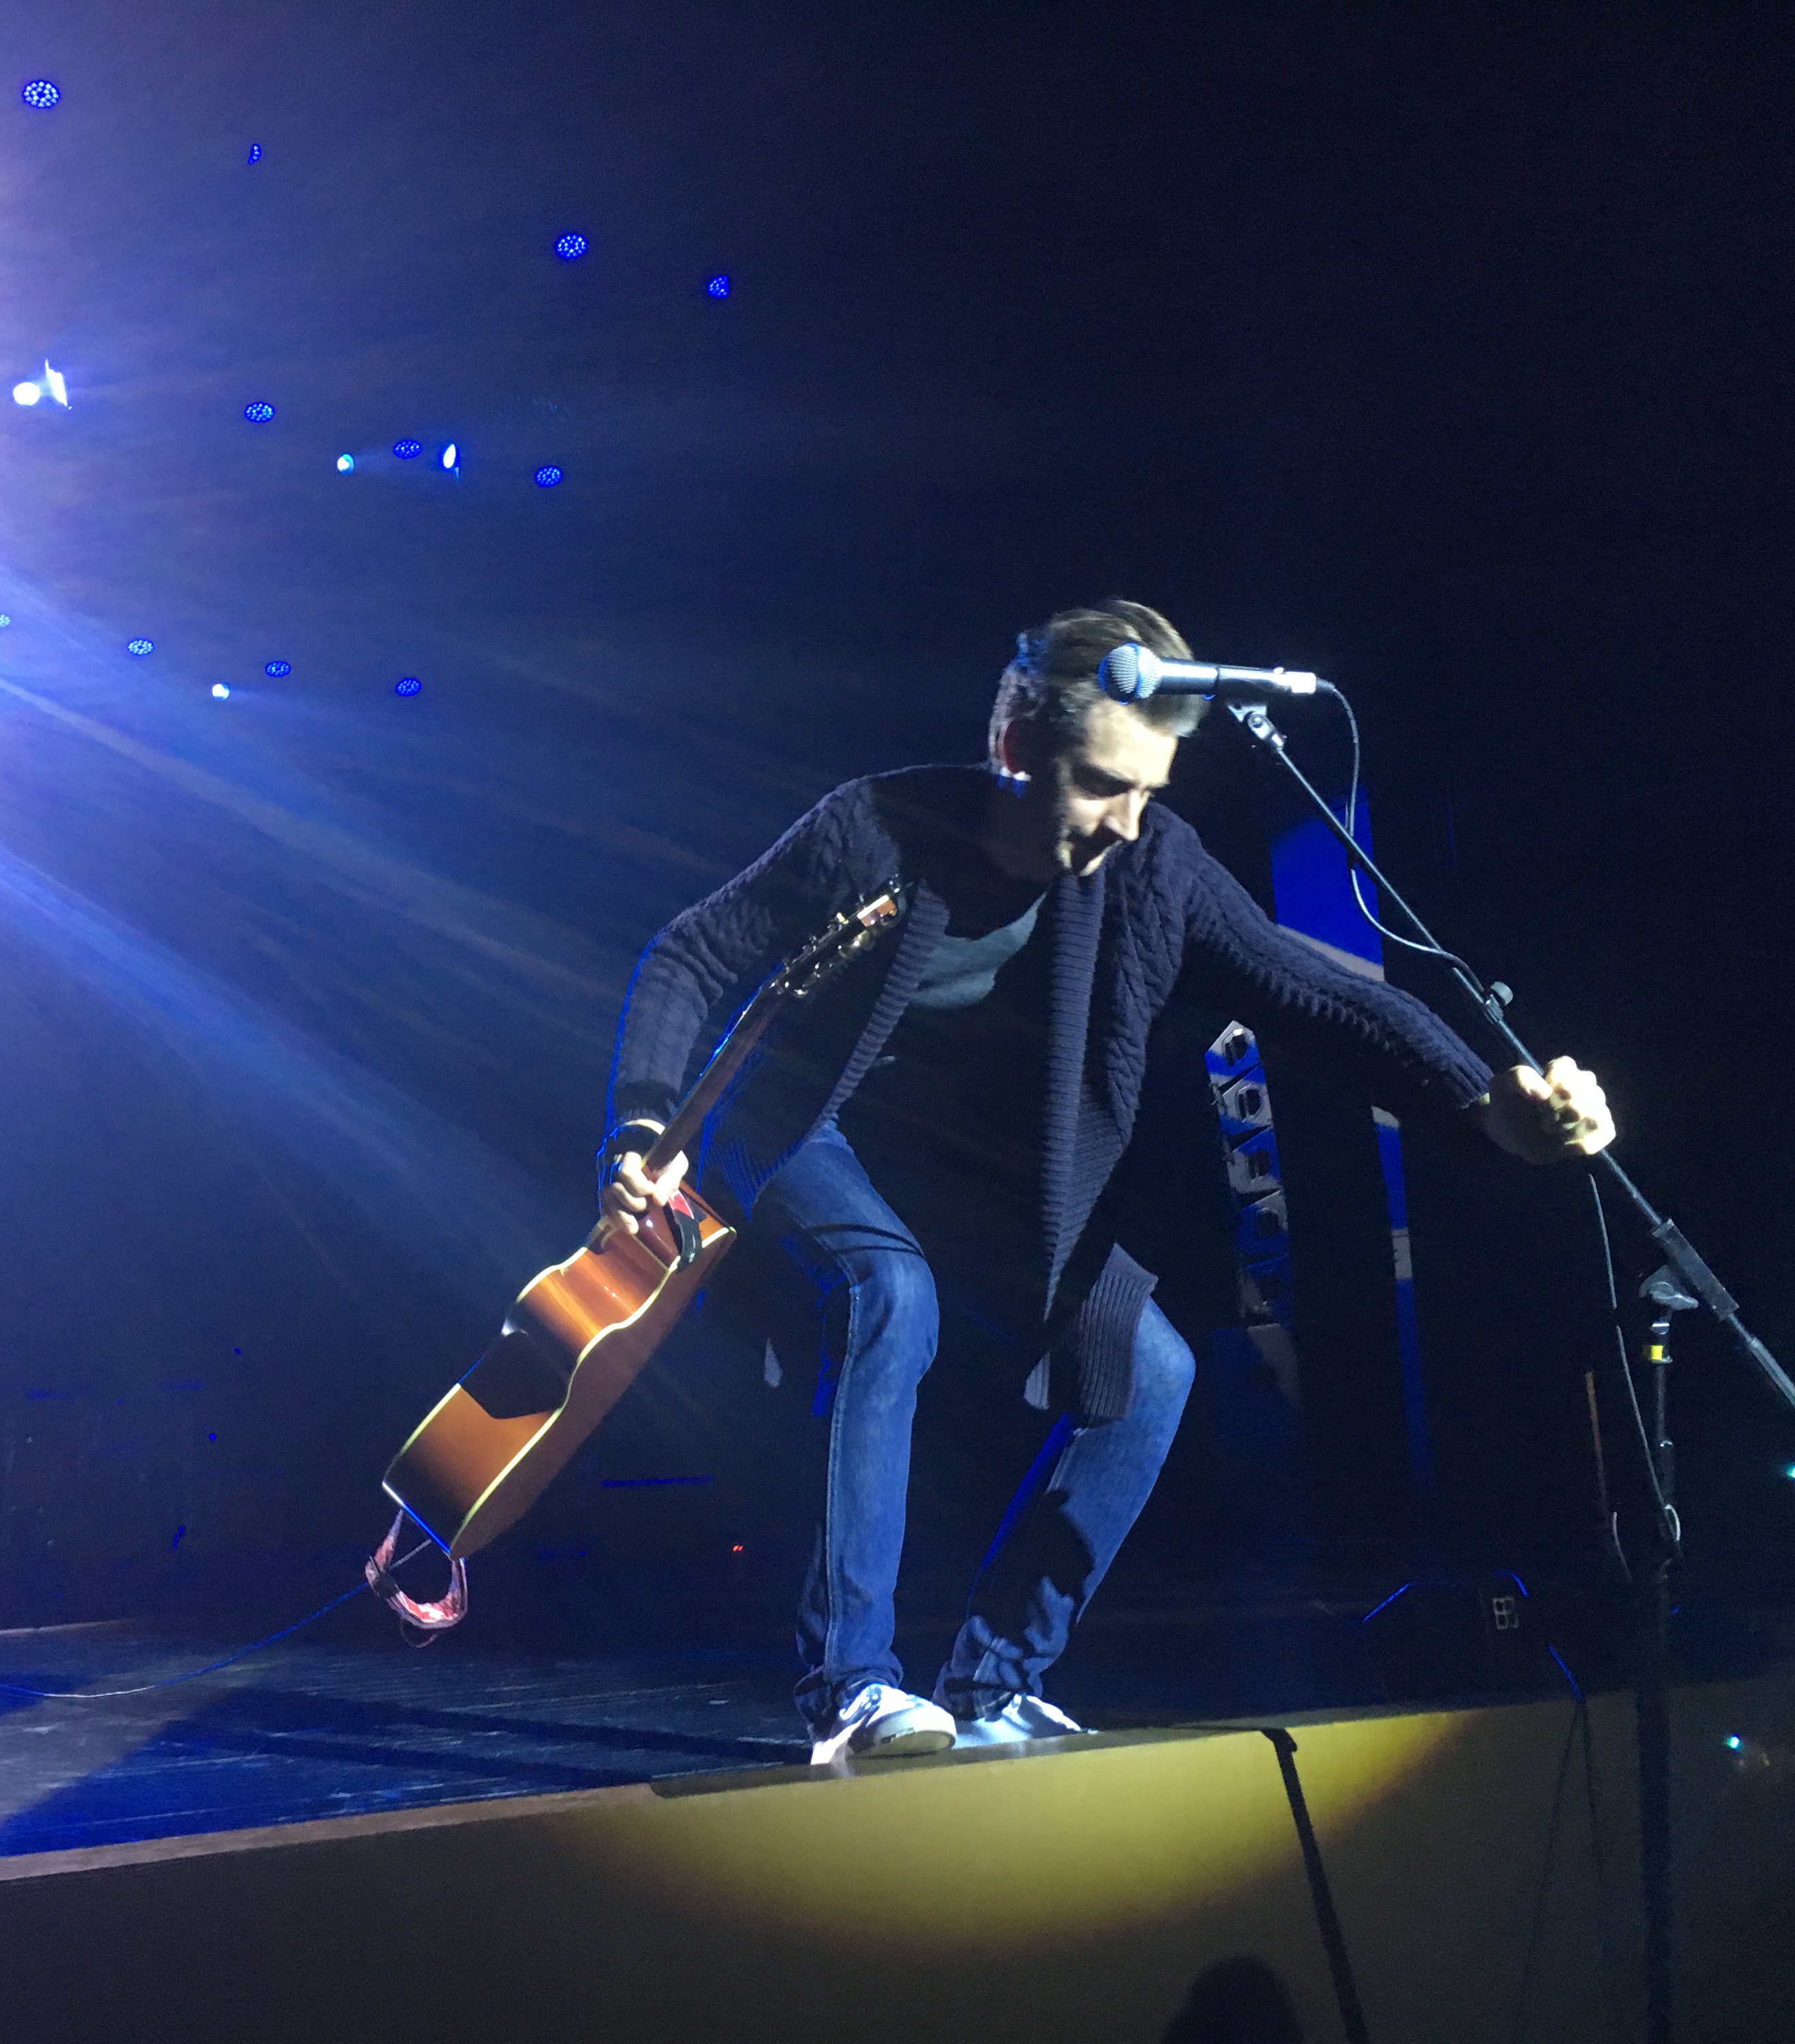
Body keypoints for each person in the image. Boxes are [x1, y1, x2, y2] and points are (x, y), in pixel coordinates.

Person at [598, 602, 1613, 1764]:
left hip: (969, 1178)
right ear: (1014, 745)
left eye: (1148, 790)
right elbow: (693, 952)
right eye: (1100, 786)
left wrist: (1488, 1104)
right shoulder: (877, 826)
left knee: (1151, 1369)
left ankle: (995, 1684)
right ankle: (850, 1691)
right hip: (805, 1127)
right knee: (890, 1296)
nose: (1126, 820)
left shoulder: (1152, 864)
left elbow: (1318, 996)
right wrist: (641, 1122)